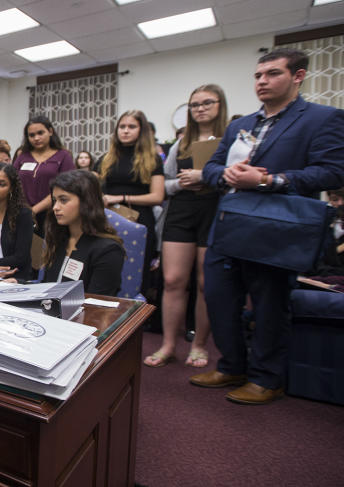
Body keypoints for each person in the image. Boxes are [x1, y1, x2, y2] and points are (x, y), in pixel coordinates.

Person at [192, 48, 344, 404]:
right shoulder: (239, 126)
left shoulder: (323, 119)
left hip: (278, 229)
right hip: (229, 225)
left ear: (298, 76)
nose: (262, 81)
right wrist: (226, 173)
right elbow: (211, 169)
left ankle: (266, 377)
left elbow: (333, 172)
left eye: (272, 74)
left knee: (270, 303)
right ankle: (231, 366)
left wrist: (268, 181)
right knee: (219, 298)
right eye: (258, 76)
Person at [145, 84, 229, 369]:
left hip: (214, 210)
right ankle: (168, 345)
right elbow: (165, 185)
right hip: (181, 210)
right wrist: (182, 182)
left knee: (206, 284)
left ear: (220, 105)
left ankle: (200, 345)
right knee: (172, 281)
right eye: (195, 104)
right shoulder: (180, 144)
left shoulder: (231, 140)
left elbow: (236, 179)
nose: (200, 108)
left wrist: (206, 175)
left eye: (207, 103)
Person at [99, 110, 165, 275]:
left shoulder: (153, 159)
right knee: (107, 269)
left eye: (131, 126)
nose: (125, 130)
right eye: (122, 126)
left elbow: (157, 196)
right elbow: (90, 186)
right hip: (107, 219)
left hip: (139, 220)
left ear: (141, 131)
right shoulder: (105, 158)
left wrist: (121, 197)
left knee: (135, 273)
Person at [41, 170, 125, 296]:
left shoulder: (108, 250)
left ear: (86, 202)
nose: (55, 207)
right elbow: (46, 287)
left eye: (63, 200)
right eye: (55, 200)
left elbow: (97, 306)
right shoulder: (59, 238)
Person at [13, 116, 75, 237]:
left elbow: (66, 188)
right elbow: (12, 181)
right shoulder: (23, 156)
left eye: (40, 133)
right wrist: (24, 210)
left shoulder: (63, 156)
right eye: (31, 135)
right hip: (22, 214)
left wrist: (34, 210)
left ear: (50, 131)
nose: (36, 138)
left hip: (53, 215)